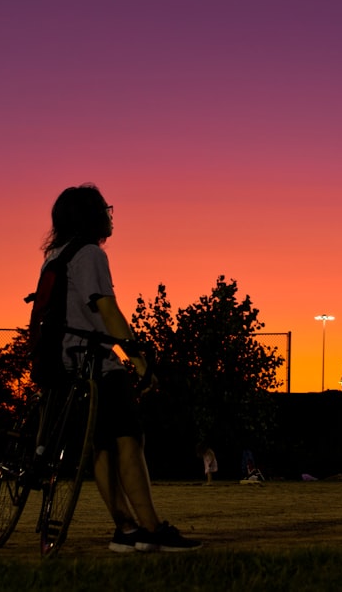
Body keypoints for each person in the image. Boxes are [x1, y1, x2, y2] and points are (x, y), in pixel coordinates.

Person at [42, 184, 201, 552]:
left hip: (64, 364)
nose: (110, 215)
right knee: (130, 439)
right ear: (91, 215)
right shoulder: (90, 254)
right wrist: (139, 360)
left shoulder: (54, 256)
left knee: (101, 447)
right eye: (105, 209)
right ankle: (151, 529)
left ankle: (126, 528)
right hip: (96, 364)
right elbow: (107, 310)